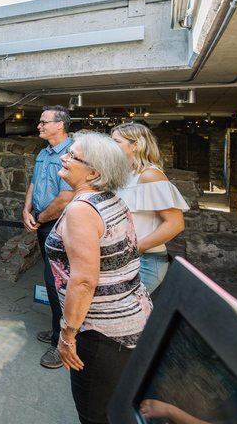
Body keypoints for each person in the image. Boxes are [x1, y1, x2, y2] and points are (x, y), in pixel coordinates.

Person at [47, 131, 153, 424]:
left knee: (95, 415)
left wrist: (67, 335)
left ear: (93, 172)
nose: (65, 158)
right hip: (129, 318)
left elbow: (83, 281)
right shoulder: (110, 199)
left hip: (101, 331)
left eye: (72, 156)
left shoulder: (82, 210)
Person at [22, 105, 74, 369]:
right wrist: (26, 209)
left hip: (60, 227)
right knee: (53, 282)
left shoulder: (73, 153)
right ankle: (57, 330)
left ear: (59, 125)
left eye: (44, 122)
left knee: (58, 285)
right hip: (43, 223)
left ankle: (60, 343)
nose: (39, 126)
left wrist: (41, 219)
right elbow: (34, 182)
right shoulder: (44, 152)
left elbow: (67, 197)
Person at [112, 122, 188, 294]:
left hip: (144, 262)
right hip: (124, 259)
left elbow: (175, 224)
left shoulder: (150, 175)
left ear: (136, 144)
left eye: (117, 141)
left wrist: (136, 249)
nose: (111, 146)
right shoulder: (125, 173)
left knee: (129, 317)